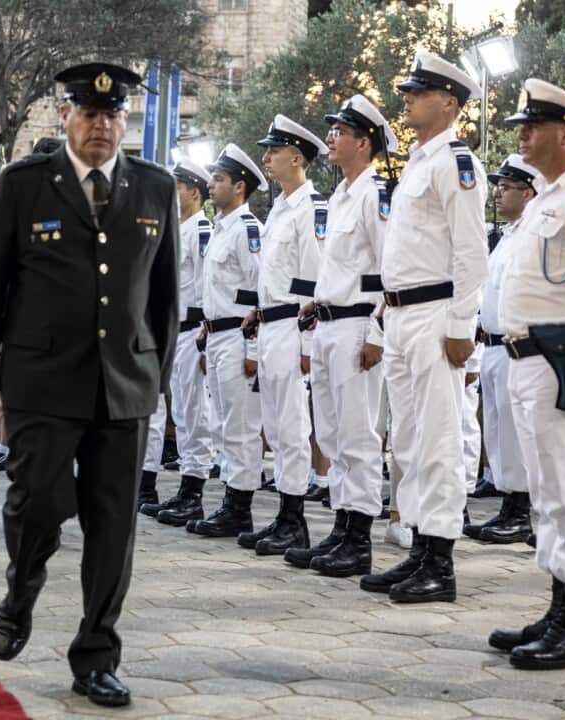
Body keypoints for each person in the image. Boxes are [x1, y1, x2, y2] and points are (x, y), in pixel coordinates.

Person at [0, 62, 178, 708]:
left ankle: (96, 654)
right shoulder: (25, 184)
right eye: (89, 114)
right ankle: (22, 586)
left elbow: (164, 298)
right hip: (41, 384)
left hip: (123, 389)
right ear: (65, 115)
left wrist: (153, 380)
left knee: (114, 529)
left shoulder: (154, 187)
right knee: (37, 505)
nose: (102, 127)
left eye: (113, 116)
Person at [359, 51, 487, 604]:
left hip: (436, 317)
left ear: (450, 102)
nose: (406, 98)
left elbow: (470, 254)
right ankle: (417, 550)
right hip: (401, 314)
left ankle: (441, 562)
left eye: (419, 92)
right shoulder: (417, 161)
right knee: (407, 440)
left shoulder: (457, 163)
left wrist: (462, 324)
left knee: (437, 440)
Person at [490, 78, 565, 670]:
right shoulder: (549, 199)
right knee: (548, 495)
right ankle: (560, 607)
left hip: (563, 365)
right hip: (527, 361)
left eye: (532, 126)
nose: (523, 136)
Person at [286, 95, 395, 576]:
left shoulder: (376, 194)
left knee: (357, 434)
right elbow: (340, 267)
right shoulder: (340, 195)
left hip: (356, 327)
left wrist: (376, 331)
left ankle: (360, 538)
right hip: (329, 323)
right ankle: (340, 528)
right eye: (331, 130)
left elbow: (391, 270)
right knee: (331, 434)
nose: (330, 138)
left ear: (363, 142)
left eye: (340, 131)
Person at [236, 115, 329, 555]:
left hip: (294, 325)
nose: (266, 158)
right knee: (274, 425)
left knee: (292, 426)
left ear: (297, 158)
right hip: (271, 325)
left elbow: (312, 280)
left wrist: (308, 345)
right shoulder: (279, 208)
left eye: (274, 151)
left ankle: (295, 520)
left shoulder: (311, 208)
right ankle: (283, 516)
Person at [180, 143, 266, 538]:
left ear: (240, 186)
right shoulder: (219, 229)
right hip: (216, 335)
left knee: (240, 425)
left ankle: (240, 507)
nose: (211, 185)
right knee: (221, 425)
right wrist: (204, 333)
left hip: (237, 334)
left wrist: (252, 349)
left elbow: (256, 292)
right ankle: (229, 501)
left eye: (219, 180)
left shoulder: (248, 229)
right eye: (212, 179)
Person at [464, 154, 542, 544]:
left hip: (518, 347)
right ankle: (509, 503)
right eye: (497, 185)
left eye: (506, 186)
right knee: (497, 432)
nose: (497, 192)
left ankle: (523, 510)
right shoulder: (508, 236)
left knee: (515, 433)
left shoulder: (533, 234)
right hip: (492, 345)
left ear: (528, 193)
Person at [143, 157, 214, 522]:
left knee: (192, 414)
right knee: (165, 412)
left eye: (178, 187)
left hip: (192, 330)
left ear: (194, 192)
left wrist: (205, 335)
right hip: (169, 331)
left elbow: (205, 288)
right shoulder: (175, 229)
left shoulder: (202, 232)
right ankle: (153, 484)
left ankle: (193, 491)